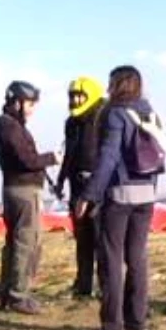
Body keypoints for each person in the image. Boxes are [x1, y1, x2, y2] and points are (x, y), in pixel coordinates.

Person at [77, 65, 164, 330]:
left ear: (117, 85)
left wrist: (89, 196)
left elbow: (107, 158)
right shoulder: (150, 112)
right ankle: (138, 323)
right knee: (137, 257)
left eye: (110, 83)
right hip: (147, 194)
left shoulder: (115, 113)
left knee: (112, 259)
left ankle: (113, 327)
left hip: (119, 195)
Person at [0, 80, 61, 314]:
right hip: (23, 192)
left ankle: (8, 293)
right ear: (17, 102)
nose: (32, 109)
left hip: (15, 190)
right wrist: (52, 158)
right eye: (30, 104)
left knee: (15, 242)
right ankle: (18, 296)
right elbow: (27, 160)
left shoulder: (7, 126)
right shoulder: (10, 127)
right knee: (26, 243)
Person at [54, 76, 107, 298]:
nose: (75, 100)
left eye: (79, 96)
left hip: (98, 187)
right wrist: (60, 179)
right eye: (72, 96)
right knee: (82, 237)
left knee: (100, 238)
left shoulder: (103, 117)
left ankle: (107, 287)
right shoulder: (71, 123)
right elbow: (69, 154)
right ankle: (83, 285)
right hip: (77, 185)